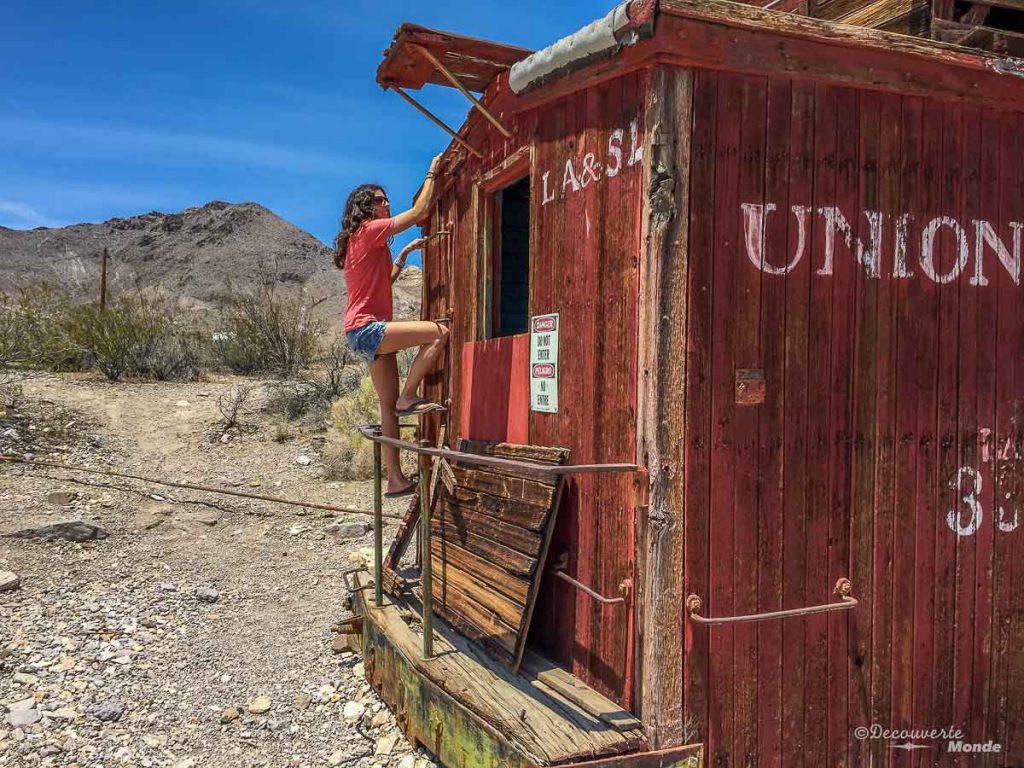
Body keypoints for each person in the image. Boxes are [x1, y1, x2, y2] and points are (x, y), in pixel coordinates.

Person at [334, 156, 450, 497]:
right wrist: (432, 170)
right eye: (381, 200)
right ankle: (409, 396)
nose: (387, 204)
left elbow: (383, 281)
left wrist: (402, 257)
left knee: (385, 409)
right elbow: (418, 214)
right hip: (368, 329)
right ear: (366, 208)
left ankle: (395, 480)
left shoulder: (360, 240)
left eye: (386, 199)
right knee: (438, 332)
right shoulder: (369, 230)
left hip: (358, 332)